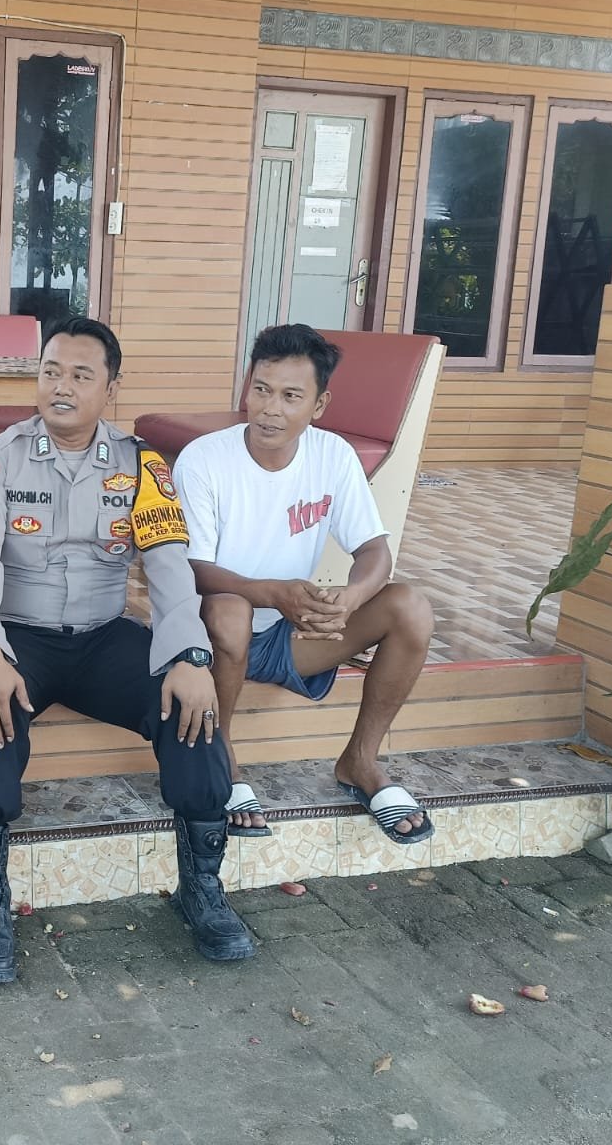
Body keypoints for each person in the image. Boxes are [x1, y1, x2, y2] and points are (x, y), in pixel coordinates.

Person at [0, 316, 256, 984]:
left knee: (191, 710)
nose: (61, 386)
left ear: (110, 388)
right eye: (51, 371)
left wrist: (191, 655)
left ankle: (202, 888)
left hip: (104, 635)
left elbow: (168, 563)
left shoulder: (143, 464)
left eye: (81, 375)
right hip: (19, 634)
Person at [174, 323, 436, 845]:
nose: (270, 409)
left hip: (291, 634)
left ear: (319, 405)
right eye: (261, 389)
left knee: (410, 606)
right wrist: (274, 593)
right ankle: (222, 755)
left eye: (291, 396)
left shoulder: (332, 455)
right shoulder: (204, 459)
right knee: (231, 610)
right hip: (211, 635)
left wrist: (350, 599)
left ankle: (360, 761)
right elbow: (192, 570)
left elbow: (375, 551)